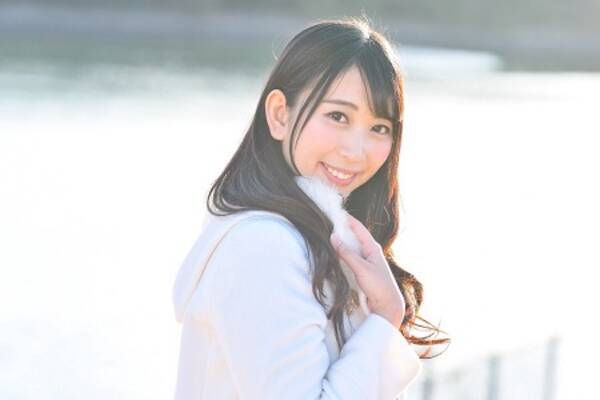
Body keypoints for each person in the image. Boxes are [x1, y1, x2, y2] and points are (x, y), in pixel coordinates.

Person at [172, 16, 450, 400]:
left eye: (379, 128)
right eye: (338, 116)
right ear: (280, 114)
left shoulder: (327, 242)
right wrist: (386, 315)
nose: (356, 151)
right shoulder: (264, 246)